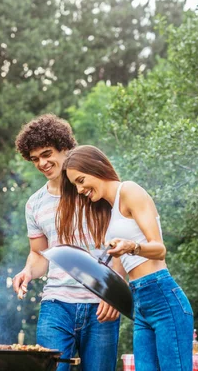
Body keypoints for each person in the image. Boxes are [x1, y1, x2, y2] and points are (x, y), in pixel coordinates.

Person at [56, 145, 194, 371]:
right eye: (75, 185)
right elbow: (118, 268)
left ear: (96, 167)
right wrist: (107, 294)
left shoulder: (129, 190)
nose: (80, 190)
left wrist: (131, 246)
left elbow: (159, 248)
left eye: (81, 180)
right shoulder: (110, 214)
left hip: (163, 297)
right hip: (140, 303)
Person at [12, 115, 122, 371]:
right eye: (35, 158)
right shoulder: (34, 204)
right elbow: (39, 255)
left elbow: (123, 242)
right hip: (56, 305)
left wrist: (115, 292)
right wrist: (27, 272)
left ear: (65, 147)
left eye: (47, 153)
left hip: (101, 304)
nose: (42, 163)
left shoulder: (95, 189)